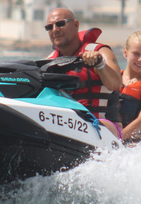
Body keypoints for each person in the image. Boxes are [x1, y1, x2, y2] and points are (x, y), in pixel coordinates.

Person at [45, 8, 123, 137]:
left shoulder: (101, 52)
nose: (54, 30)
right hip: (67, 126)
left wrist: (100, 64)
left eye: (60, 24)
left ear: (76, 25)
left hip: (104, 126)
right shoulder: (48, 62)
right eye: (49, 27)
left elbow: (115, 85)